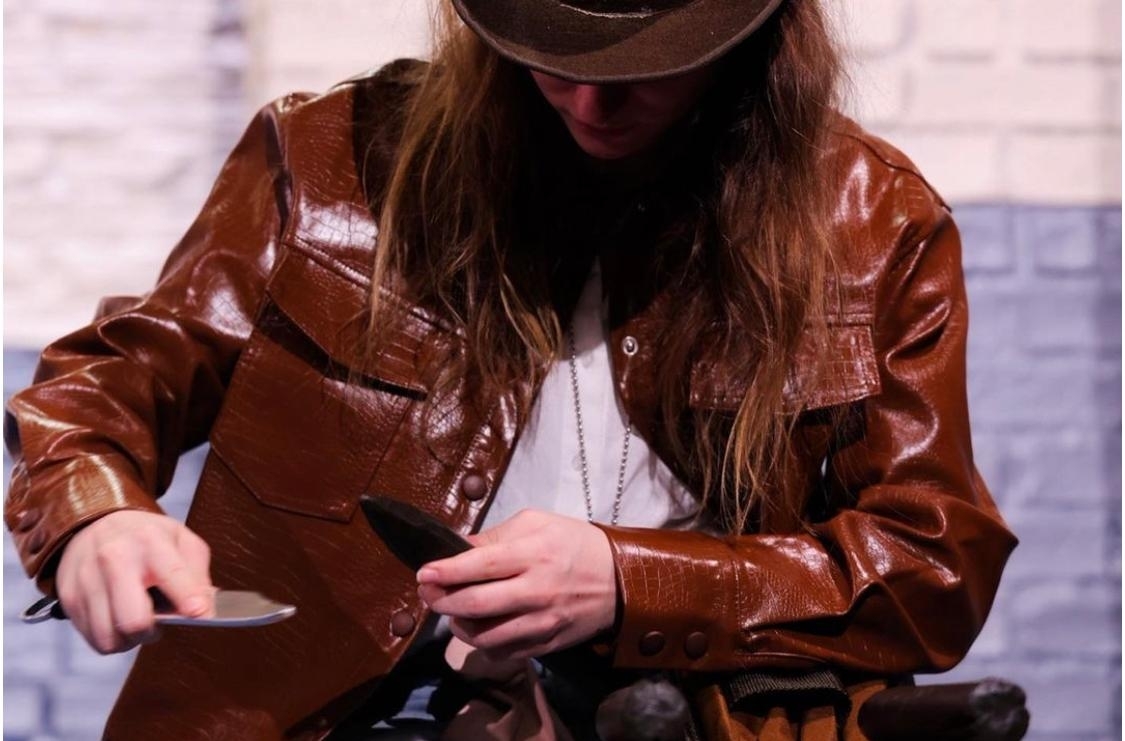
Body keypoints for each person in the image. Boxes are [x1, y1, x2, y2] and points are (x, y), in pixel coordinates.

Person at [4, 0, 1018, 738]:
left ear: (753, 37)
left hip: (660, 716)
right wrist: (96, 514)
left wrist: (635, 582)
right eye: (552, 51)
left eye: (649, 64)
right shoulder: (326, 159)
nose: (589, 98)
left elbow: (933, 566)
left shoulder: (873, 223)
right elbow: (105, 385)